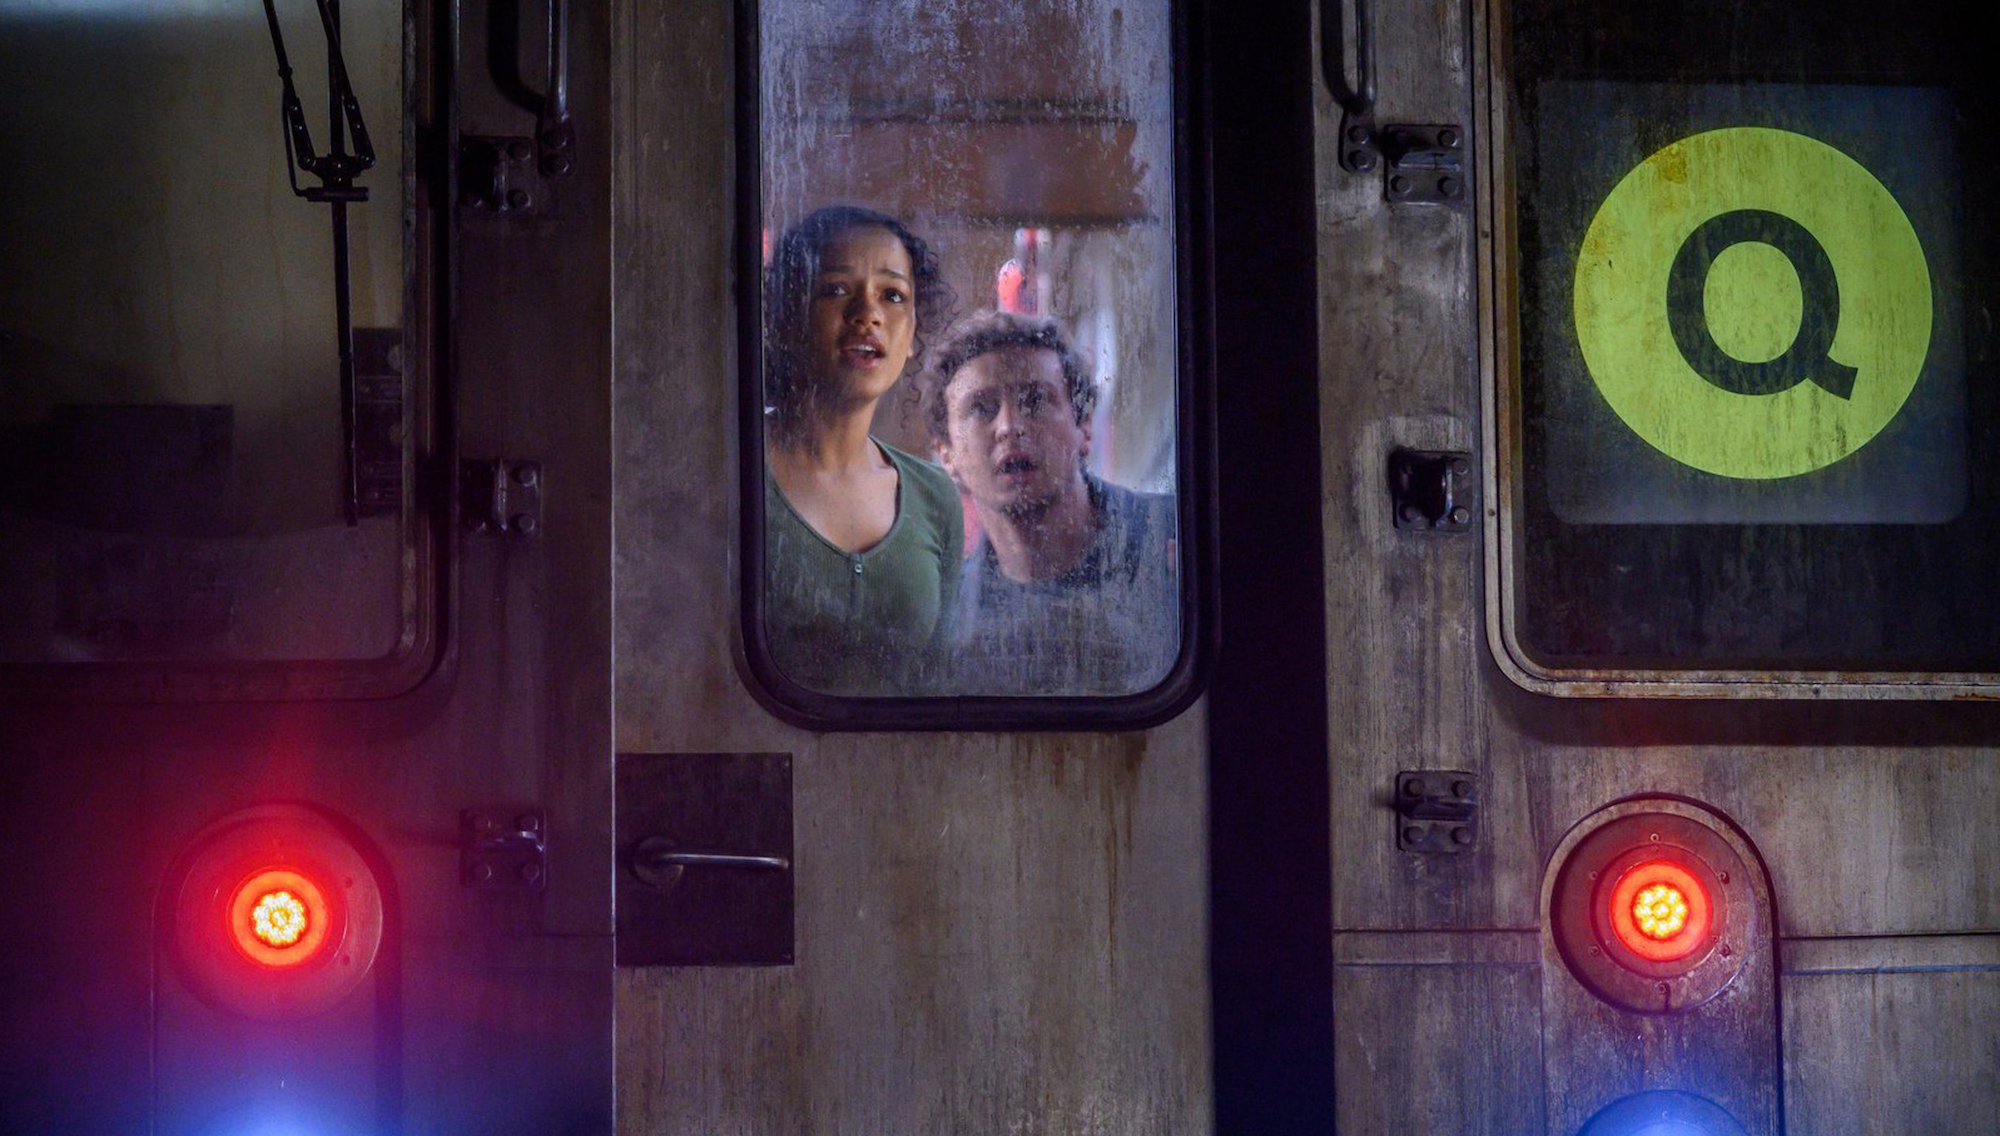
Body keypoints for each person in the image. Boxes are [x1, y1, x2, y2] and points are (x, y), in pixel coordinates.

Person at [761, 206, 962, 694]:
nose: (867, 314)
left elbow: (936, 685)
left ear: (912, 335)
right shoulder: (728, 468)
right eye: (835, 290)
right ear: (786, 318)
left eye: (892, 296)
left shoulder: (935, 498)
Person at [922, 310, 1177, 693]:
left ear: (1083, 428)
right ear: (946, 454)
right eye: (981, 408)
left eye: (1036, 400)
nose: (1010, 427)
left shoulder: (1178, 538)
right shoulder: (946, 620)